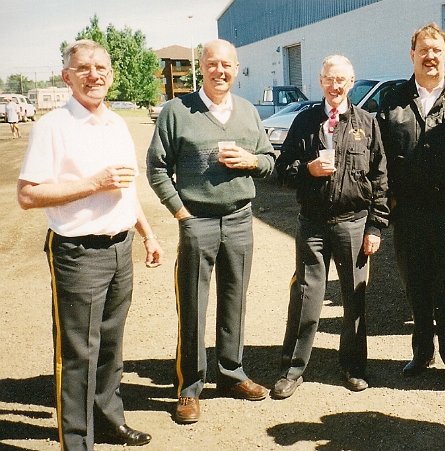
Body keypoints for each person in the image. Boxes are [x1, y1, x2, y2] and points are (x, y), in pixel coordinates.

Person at [16, 39, 162, 450]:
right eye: (84, 68)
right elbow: (27, 195)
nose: (94, 75)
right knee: (78, 353)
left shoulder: (116, 123)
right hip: (78, 253)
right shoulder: (52, 127)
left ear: (111, 75)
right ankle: (76, 441)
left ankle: (108, 418)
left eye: (101, 67)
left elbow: (125, 189)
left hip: (120, 249)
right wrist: (91, 184)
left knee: (112, 346)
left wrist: (146, 233)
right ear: (67, 77)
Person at [146, 39, 276, 423]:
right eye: (213, 64)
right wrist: (181, 212)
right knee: (193, 305)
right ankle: (189, 388)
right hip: (196, 221)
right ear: (201, 67)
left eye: (228, 65)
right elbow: (156, 168)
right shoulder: (176, 111)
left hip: (239, 219)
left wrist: (252, 160)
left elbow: (269, 161)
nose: (221, 71)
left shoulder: (248, 112)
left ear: (236, 69)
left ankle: (232, 374)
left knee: (234, 300)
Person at [271, 55, 389, 399]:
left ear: (351, 82)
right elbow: (282, 169)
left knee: (355, 297)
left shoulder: (366, 122)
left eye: (342, 80)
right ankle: (292, 369)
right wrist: (307, 170)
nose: (335, 86)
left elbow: (381, 176)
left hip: (353, 223)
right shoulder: (305, 120)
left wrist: (375, 226)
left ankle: (353, 366)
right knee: (307, 295)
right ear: (320, 81)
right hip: (313, 224)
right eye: (329, 79)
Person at [377, 22, 445, 388]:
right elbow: (381, 154)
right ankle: (422, 353)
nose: (430, 56)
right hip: (409, 212)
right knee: (416, 286)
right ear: (412, 55)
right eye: (424, 49)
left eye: (437, 49)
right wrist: (385, 198)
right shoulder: (392, 98)